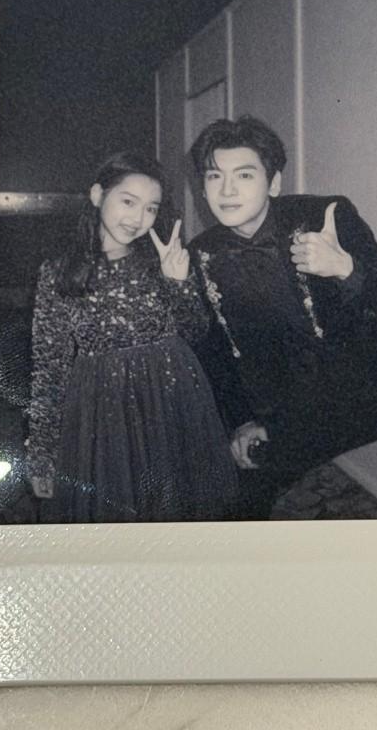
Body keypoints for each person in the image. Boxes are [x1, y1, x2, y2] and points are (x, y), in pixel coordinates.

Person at [188, 115, 377, 519]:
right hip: (297, 404)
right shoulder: (199, 255)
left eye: (244, 175)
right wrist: (241, 420)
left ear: (274, 183)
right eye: (214, 176)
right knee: (235, 498)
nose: (227, 190)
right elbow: (214, 349)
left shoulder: (327, 216)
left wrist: (346, 269)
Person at [25, 151, 238, 523]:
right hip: (103, 414)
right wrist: (42, 453)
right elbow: (49, 368)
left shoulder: (161, 261)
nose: (138, 218)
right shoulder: (58, 273)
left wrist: (178, 284)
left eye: (151, 208)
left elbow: (196, 333)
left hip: (173, 403)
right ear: (97, 195)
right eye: (128, 202)